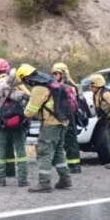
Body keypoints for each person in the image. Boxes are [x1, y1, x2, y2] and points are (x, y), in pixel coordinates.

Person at [18, 64, 72, 193]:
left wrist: (22, 113)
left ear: (25, 78)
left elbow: (30, 111)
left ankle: (44, 183)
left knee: (44, 152)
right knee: (58, 151)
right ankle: (65, 179)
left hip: (50, 124)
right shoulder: (50, 82)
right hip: (63, 121)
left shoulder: (38, 88)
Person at [0, 66, 30, 188]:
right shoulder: (20, 87)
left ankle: (0, 180)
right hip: (18, 125)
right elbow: (29, 99)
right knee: (20, 151)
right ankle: (22, 180)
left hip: (1, 124)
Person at [52, 63, 83, 174]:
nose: (54, 75)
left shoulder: (68, 86)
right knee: (67, 141)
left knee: (70, 141)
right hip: (66, 115)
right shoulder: (64, 85)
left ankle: (74, 166)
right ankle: (74, 165)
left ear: (63, 73)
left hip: (69, 116)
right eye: (53, 73)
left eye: (56, 73)